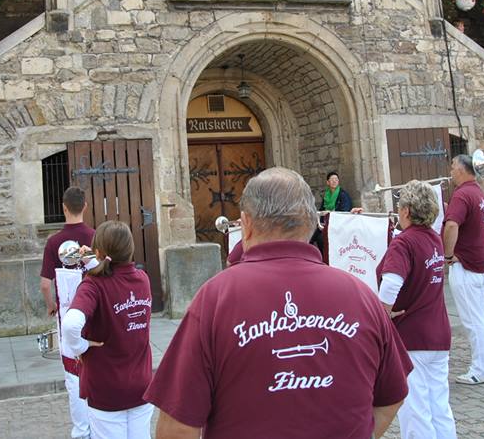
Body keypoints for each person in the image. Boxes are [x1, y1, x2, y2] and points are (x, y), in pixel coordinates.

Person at [145, 167, 412, 439]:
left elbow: (177, 428)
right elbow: (392, 397)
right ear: (311, 222)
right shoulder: (362, 295)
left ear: (246, 224)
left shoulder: (215, 298)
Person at [377, 181, 457, 439]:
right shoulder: (433, 239)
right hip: (437, 333)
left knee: (415, 410)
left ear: (407, 211)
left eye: (400, 207)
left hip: (411, 336)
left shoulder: (405, 243)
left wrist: (382, 314)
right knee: (439, 405)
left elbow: (391, 284)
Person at [61, 221, 153, 439]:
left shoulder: (93, 284)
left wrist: (80, 347)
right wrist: (96, 259)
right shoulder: (143, 280)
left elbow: (70, 323)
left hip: (107, 388)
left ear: (99, 251)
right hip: (141, 384)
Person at [41, 186, 96, 439]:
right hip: (94, 313)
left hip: (67, 313)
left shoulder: (53, 242)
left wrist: (51, 304)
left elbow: (44, 283)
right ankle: (99, 425)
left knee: (73, 374)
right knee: (96, 367)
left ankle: (81, 430)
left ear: (64, 207)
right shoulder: (95, 236)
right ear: (84, 206)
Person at [443, 154, 484, 385]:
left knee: (473, 319)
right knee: (483, 316)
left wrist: (447, 255)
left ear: (463, 170)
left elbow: (452, 224)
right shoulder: (478, 192)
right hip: (482, 261)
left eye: (454, 167)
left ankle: (481, 368)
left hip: (466, 264)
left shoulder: (462, 194)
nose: (451, 171)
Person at [310, 171, 353, 255]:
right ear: (328, 182)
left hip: (338, 224)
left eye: (336, 179)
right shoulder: (327, 195)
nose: (334, 181)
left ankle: (325, 260)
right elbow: (321, 209)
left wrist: (330, 213)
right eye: (332, 179)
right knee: (311, 236)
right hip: (325, 223)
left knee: (320, 238)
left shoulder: (343, 195)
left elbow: (345, 212)